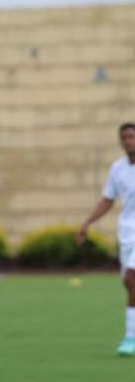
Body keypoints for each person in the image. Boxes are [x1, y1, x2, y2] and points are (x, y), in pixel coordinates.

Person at [77, 122, 135, 356]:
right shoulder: (118, 169)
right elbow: (108, 200)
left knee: (132, 279)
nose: (129, 140)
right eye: (125, 137)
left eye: (132, 136)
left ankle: (130, 338)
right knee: (127, 282)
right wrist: (87, 223)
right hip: (127, 233)